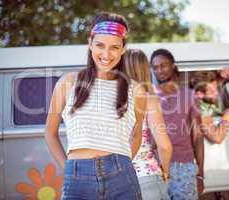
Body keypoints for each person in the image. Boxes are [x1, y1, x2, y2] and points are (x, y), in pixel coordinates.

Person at [45, 12, 146, 200]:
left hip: (122, 177)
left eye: (114, 47)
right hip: (77, 177)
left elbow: (136, 135)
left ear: (123, 49)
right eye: (100, 45)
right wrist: (68, 168)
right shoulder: (67, 83)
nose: (106, 54)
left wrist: (120, 165)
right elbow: (50, 133)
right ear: (90, 44)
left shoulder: (136, 90)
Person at [150, 48, 204, 200]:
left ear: (173, 65)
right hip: (155, 166)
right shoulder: (148, 96)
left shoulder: (189, 95)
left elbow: (198, 137)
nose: (159, 70)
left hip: (184, 166)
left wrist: (200, 175)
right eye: (155, 67)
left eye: (163, 65)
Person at [123, 48, 172, 200]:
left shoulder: (109, 99)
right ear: (144, 70)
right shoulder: (149, 99)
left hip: (118, 181)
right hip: (146, 176)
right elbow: (164, 146)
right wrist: (165, 171)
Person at [190, 71, 229, 144]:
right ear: (200, 94)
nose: (217, 93)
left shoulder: (208, 101)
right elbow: (217, 138)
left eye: (216, 88)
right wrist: (228, 116)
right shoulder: (200, 108)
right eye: (212, 91)